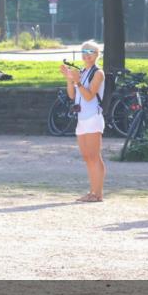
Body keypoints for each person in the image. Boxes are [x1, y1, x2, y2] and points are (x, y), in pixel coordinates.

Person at [60, 41, 105, 203]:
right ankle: (92, 191)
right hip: (82, 119)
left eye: (90, 52)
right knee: (87, 157)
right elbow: (72, 96)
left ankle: (97, 194)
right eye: (84, 51)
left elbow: (89, 96)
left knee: (94, 156)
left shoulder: (98, 73)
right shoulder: (83, 72)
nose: (86, 55)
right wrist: (69, 79)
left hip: (93, 117)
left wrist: (77, 81)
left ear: (96, 54)